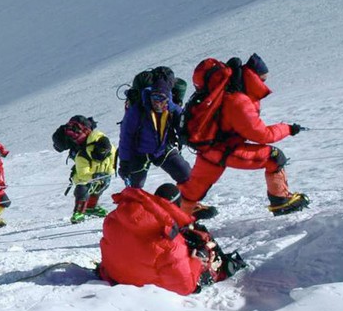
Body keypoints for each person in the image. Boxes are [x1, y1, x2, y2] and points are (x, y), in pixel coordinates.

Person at [178, 54, 310, 217]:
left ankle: (177, 216)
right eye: (263, 79)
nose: (264, 82)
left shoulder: (224, 94)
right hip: (225, 150)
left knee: (194, 187)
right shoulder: (237, 100)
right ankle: (281, 201)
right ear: (254, 77)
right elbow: (262, 135)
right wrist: (288, 129)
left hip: (208, 148)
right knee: (274, 157)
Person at [98, 183, 244, 295]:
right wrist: (194, 262)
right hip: (138, 283)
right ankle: (224, 266)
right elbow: (186, 286)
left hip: (113, 274)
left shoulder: (115, 217)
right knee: (203, 245)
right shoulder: (171, 242)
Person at [117, 68, 215, 218]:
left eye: (162, 99)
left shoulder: (171, 107)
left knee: (186, 174)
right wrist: (124, 162)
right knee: (135, 186)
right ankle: (132, 216)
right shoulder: (137, 111)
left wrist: (195, 139)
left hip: (162, 148)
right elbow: (126, 137)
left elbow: (184, 124)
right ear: (149, 95)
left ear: (168, 97)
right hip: (138, 152)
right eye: (155, 98)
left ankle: (189, 206)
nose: (158, 103)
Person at [53, 116, 116, 223]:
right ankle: (78, 212)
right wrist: (94, 176)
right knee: (83, 190)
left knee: (99, 189)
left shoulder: (109, 148)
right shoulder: (83, 155)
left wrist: (108, 173)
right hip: (87, 175)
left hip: (102, 173)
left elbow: (112, 162)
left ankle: (90, 207)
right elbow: (82, 174)